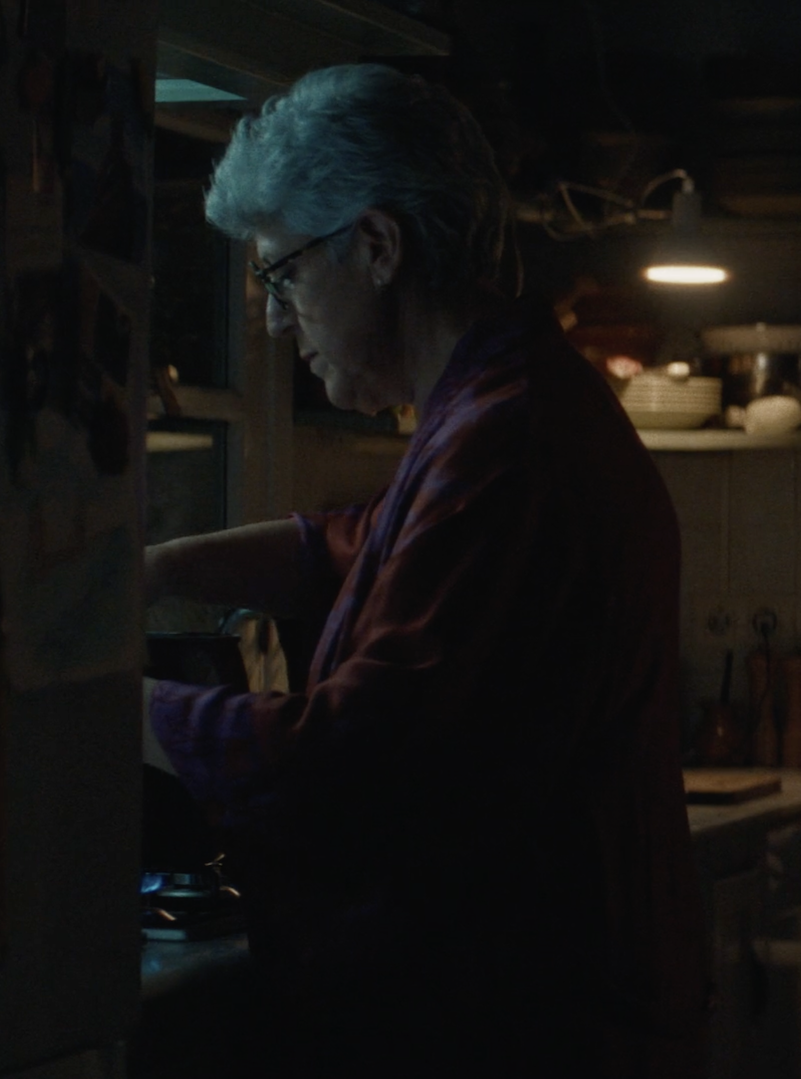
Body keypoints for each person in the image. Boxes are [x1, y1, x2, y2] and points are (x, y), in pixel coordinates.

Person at [141, 63, 706, 1078]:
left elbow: (341, 759)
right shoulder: (498, 401)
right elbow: (352, 545)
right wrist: (154, 568)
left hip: (524, 1020)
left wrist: (109, 700)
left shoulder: (507, 440)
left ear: (377, 245)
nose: (275, 319)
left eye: (284, 276)